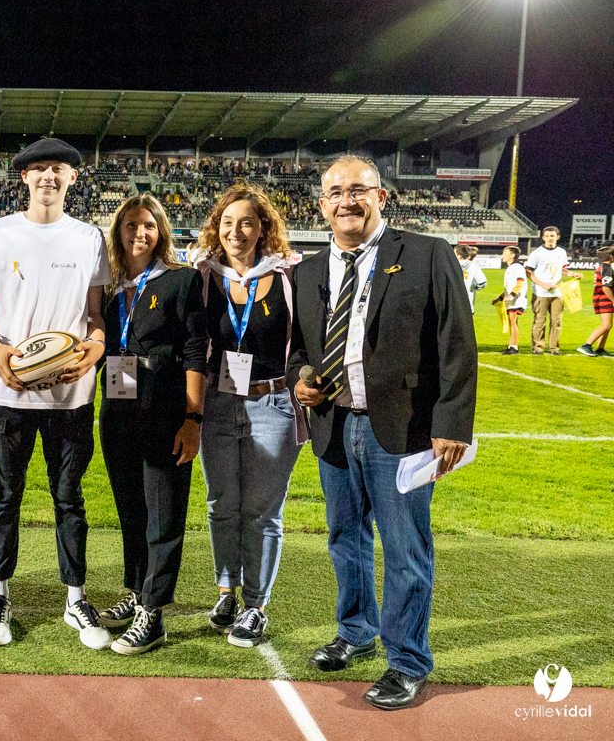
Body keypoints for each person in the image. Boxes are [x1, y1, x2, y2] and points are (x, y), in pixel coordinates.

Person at [289, 154, 476, 710]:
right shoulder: (308, 270)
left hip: (403, 430)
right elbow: (303, 347)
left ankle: (408, 661)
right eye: (336, 193)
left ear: (381, 197)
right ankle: (355, 631)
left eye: (359, 190)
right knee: (345, 539)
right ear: (322, 205)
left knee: (405, 548)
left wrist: (451, 424)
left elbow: (457, 343)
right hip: (334, 424)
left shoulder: (425, 253)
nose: (347, 201)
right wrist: (303, 379)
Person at [0, 137, 112, 650]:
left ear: (73, 178)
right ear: (24, 178)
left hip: (71, 396)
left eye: (58, 169)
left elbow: (96, 317)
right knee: (5, 497)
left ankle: (75, 598)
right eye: (38, 169)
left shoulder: (90, 237)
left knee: (69, 498)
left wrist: (95, 348)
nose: (48, 176)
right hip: (8, 392)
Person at [195, 184, 307, 648]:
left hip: (274, 403)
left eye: (246, 222)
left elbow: (304, 339)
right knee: (222, 504)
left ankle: (255, 604)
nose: (236, 231)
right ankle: (226, 591)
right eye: (227, 223)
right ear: (216, 229)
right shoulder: (202, 275)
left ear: (263, 228)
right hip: (218, 402)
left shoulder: (288, 276)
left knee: (262, 511)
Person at [95, 194, 206, 655]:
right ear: (118, 233)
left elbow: (197, 349)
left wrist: (193, 417)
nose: (139, 234)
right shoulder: (111, 286)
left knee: (163, 515)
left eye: (148, 226)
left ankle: (154, 613)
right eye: (130, 226)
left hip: (165, 412)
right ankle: (137, 591)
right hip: (118, 412)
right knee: (132, 512)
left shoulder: (182, 281)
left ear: (160, 231)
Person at [525, 226, 574, 355]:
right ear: (543, 238)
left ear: (558, 237)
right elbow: (529, 273)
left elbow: (562, 270)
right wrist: (543, 285)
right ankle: (537, 347)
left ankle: (554, 348)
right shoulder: (536, 253)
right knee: (539, 321)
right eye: (547, 236)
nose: (549, 238)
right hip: (541, 293)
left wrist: (573, 274)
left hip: (558, 293)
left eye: (552, 236)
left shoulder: (561, 252)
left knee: (556, 322)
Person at [578, 246, 613, 357]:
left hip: (599, 298)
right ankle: (587, 345)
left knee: (608, 325)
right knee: (606, 326)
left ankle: (600, 348)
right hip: (604, 299)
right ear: (611, 256)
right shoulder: (607, 268)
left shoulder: (601, 267)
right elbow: (606, 287)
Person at [498, 246, 528, 355]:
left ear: (512, 255)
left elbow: (520, 282)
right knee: (511, 322)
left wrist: (511, 295)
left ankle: (514, 347)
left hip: (517, 299)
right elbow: (509, 286)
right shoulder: (510, 268)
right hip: (512, 299)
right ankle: (511, 345)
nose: (503, 255)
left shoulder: (517, 267)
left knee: (513, 321)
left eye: (505, 253)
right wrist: (500, 297)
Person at [455, 245, 487, 314]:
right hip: (467, 305)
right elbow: (482, 283)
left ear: (459, 256)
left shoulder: (449, 266)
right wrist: (472, 288)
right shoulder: (474, 268)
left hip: (451, 306)